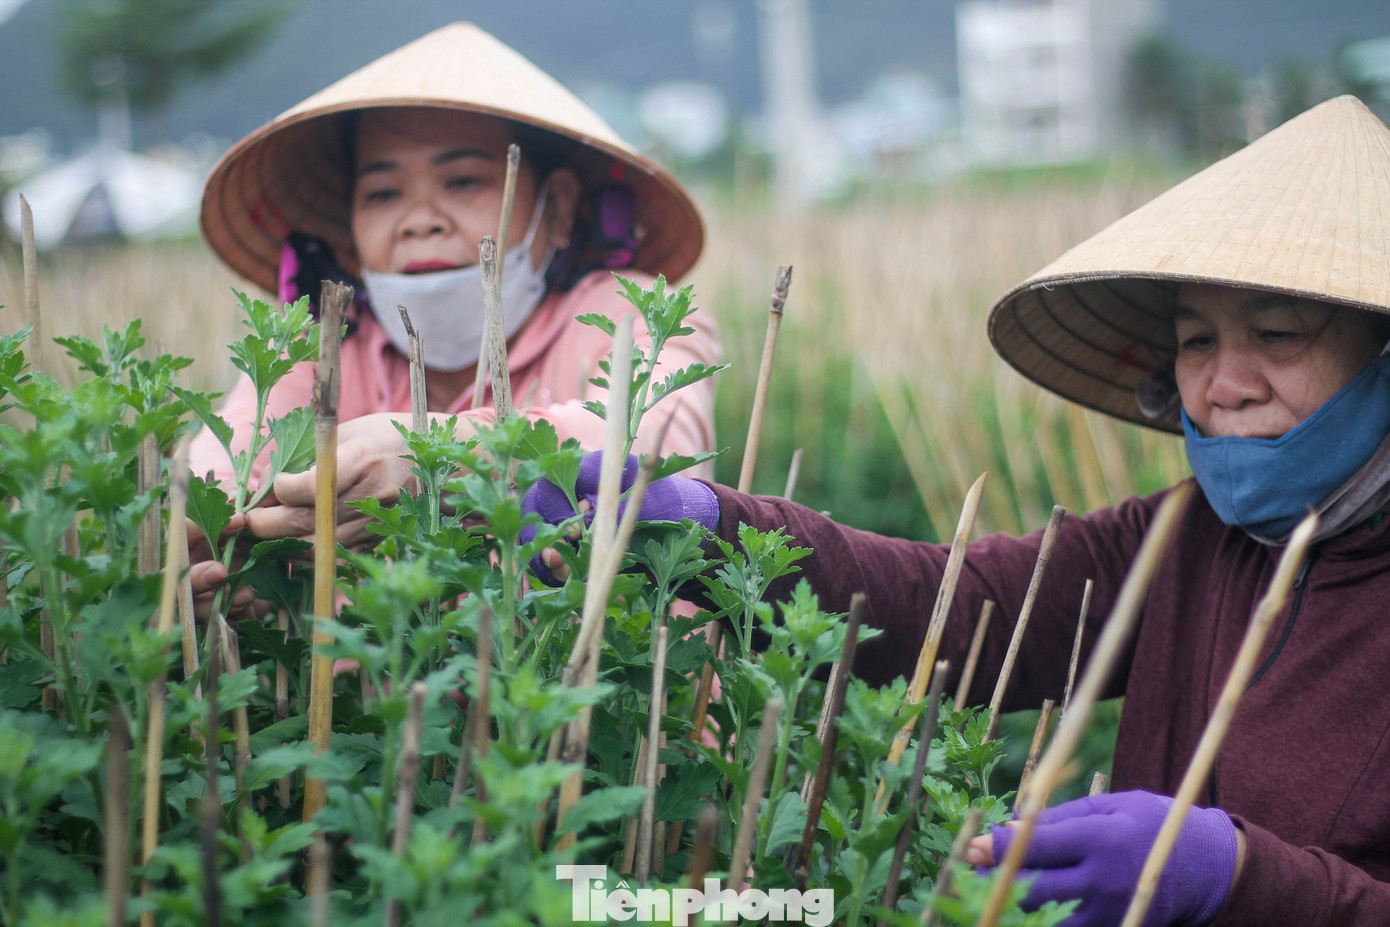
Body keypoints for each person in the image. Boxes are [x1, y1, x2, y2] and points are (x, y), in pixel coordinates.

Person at [524, 95, 1390, 926]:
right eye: (1197, 340)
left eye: (1279, 334)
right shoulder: (1186, 537)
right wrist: (713, 527)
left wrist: (1234, 875)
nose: (1222, 386)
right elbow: (957, 607)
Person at [186, 23, 719, 617]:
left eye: (462, 181)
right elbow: (218, 468)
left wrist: (438, 459)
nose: (419, 220)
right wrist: (220, 550)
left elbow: (650, 445)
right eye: (383, 193)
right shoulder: (325, 348)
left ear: (560, 208)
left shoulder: (629, 316)